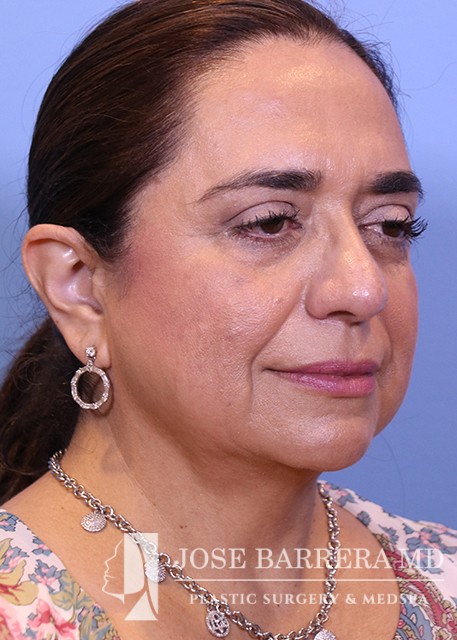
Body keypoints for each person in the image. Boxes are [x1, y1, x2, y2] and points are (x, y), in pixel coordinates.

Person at [0, 0, 456, 638]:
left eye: (390, 225)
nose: (363, 288)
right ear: (80, 286)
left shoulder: (442, 581)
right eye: (269, 222)